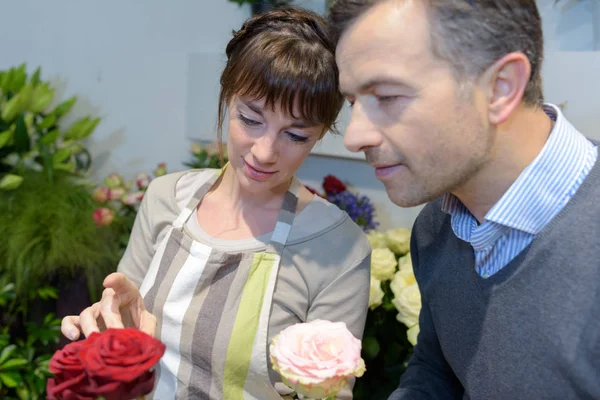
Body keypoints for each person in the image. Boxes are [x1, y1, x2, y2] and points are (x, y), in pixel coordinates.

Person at [61, 7, 371, 399]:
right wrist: (107, 331)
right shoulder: (166, 201)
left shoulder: (337, 248)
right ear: (227, 99)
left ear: (321, 134)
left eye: (295, 136)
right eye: (250, 119)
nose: (264, 152)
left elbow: (331, 393)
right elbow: (124, 340)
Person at [328, 0, 600, 399]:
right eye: (353, 103)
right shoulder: (436, 226)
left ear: (500, 87)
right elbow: (438, 371)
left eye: (385, 96)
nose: (354, 137)